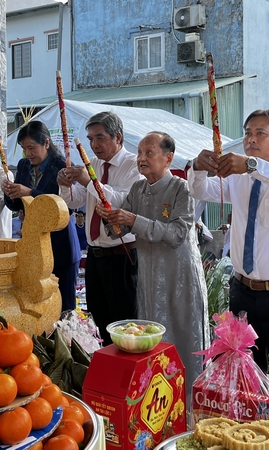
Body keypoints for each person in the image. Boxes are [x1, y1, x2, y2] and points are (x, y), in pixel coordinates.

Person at [188, 109, 269, 443]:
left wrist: (253, 165)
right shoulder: (238, 179)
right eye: (247, 133)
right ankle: (246, 438)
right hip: (244, 291)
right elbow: (202, 191)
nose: (251, 139)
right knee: (241, 374)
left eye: (260, 133)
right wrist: (198, 166)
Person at [96, 131, 209, 398]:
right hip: (148, 280)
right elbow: (119, 231)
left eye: (149, 153)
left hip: (179, 280)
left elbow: (178, 234)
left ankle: (189, 408)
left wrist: (132, 219)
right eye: (139, 153)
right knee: (152, 342)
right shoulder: (138, 189)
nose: (141, 159)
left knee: (183, 342)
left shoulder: (181, 188)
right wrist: (109, 217)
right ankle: (158, 405)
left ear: (168, 158)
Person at [57, 112, 142, 344]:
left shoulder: (133, 164)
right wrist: (65, 185)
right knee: (99, 322)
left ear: (118, 137)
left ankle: (127, 376)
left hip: (122, 254)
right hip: (96, 255)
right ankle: (107, 372)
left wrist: (89, 181)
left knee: (125, 325)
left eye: (100, 138)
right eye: (90, 139)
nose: (94, 145)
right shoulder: (92, 164)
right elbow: (74, 201)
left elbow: (122, 201)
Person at [3, 121, 80, 312]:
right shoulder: (23, 166)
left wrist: (29, 192)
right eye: (24, 149)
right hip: (33, 246)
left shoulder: (63, 166)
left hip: (60, 244)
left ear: (46, 143)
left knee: (63, 306)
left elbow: (63, 207)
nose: (28, 153)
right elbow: (16, 205)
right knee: (37, 303)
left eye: (31, 148)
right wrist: (9, 192)